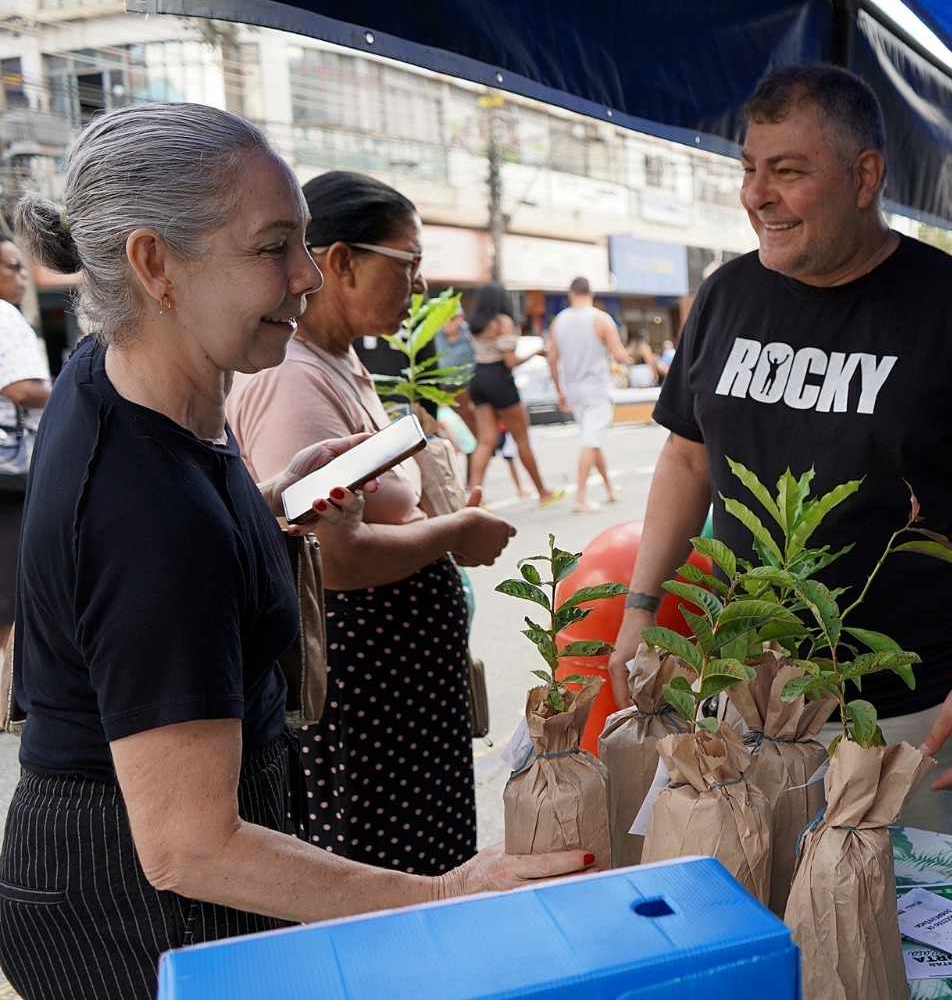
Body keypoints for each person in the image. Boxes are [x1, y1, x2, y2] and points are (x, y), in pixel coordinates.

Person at [0, 104, 590, 1000]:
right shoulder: (149, 511)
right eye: (272, 248)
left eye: (305, 244)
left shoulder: (129, 372)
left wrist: (271, 503)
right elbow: (190, 847)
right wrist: (440, 893)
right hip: (134, 910)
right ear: (154, 264)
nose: (309, 276)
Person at [608, 62, 952, 833]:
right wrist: (640, 606)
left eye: (788, 172)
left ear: (865, 177)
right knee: (747, 904)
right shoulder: (726, 294)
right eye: (750, 170)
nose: (758, 195)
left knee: (887, 930)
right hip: (745, 684)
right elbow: (688, 457)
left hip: (902, 703)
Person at [227, 170, 522, 876]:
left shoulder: (339, 358)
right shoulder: (290, 376)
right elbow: (337, 557)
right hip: (364, 699)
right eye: (408, 265)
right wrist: (452, 535)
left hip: (401, 693)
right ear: (341, 262)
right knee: (386, 878)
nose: (417, 288)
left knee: (426, 869)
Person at [464, 281, 564, 503]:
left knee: (485, 441)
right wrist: (535, 353)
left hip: (478, 378)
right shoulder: (503, 322)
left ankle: (474, 496)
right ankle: (543, 492)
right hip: (499, 380)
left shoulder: (475, 324)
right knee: (522, 440)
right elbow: (510, 361)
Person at [0, 231, 49, 658]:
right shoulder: (3, 315)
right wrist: (69, 394)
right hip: (11, 471)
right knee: (12, 600)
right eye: (12, 266)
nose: (21, 277)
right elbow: (21, 388)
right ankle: (12, 700)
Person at [547, 276, 630, 513]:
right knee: (591, 440)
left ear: (570, 294)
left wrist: (559, 390)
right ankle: (580, 497)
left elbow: (553, 360)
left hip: (573, 392)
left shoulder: (558, 322)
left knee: (591, 439)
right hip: (596, 389)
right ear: (591, 293)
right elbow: (619, 354)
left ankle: (609, 486)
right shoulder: (601, 319)